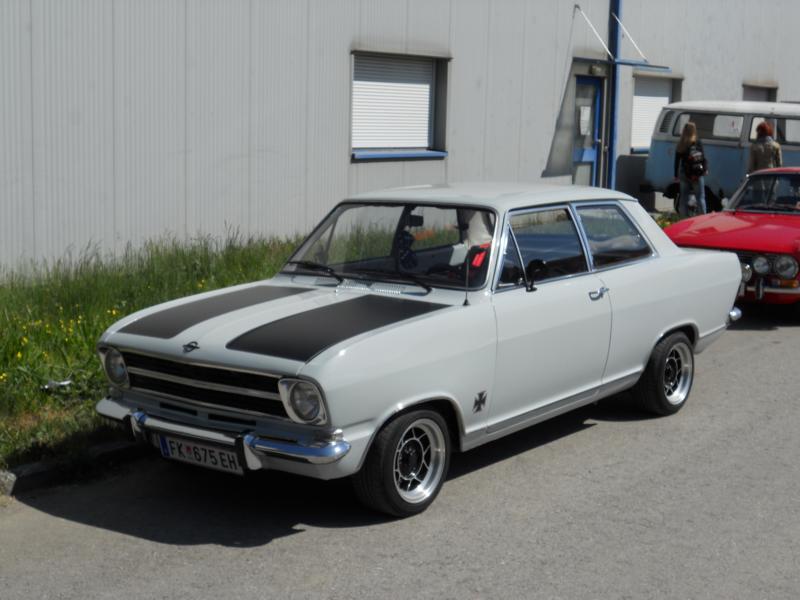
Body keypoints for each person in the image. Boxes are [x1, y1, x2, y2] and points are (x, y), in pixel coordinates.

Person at [674, 121, 708, 216]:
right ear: (694, 130)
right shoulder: (697, 142)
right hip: (697, 173)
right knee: (700, 198)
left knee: (683, 198)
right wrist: (705, 169)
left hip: (684, 173)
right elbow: (703, 158)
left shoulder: (681, 143)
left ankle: (684, 218)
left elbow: (677, 161)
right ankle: (702, 219)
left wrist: (676, 175)